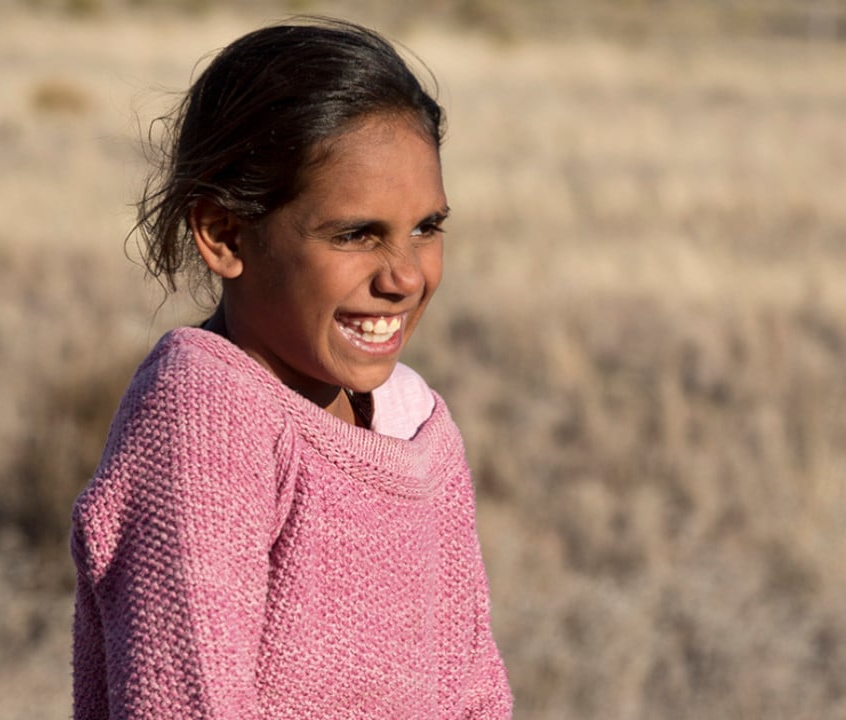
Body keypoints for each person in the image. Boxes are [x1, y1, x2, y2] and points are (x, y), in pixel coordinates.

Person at [69, 18, 513, 718]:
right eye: (356, 234)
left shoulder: (418, 428)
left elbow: (474, 695)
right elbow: (185, 704)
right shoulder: (205, 414)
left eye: (426, 227)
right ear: (223, 233)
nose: (404, 275)